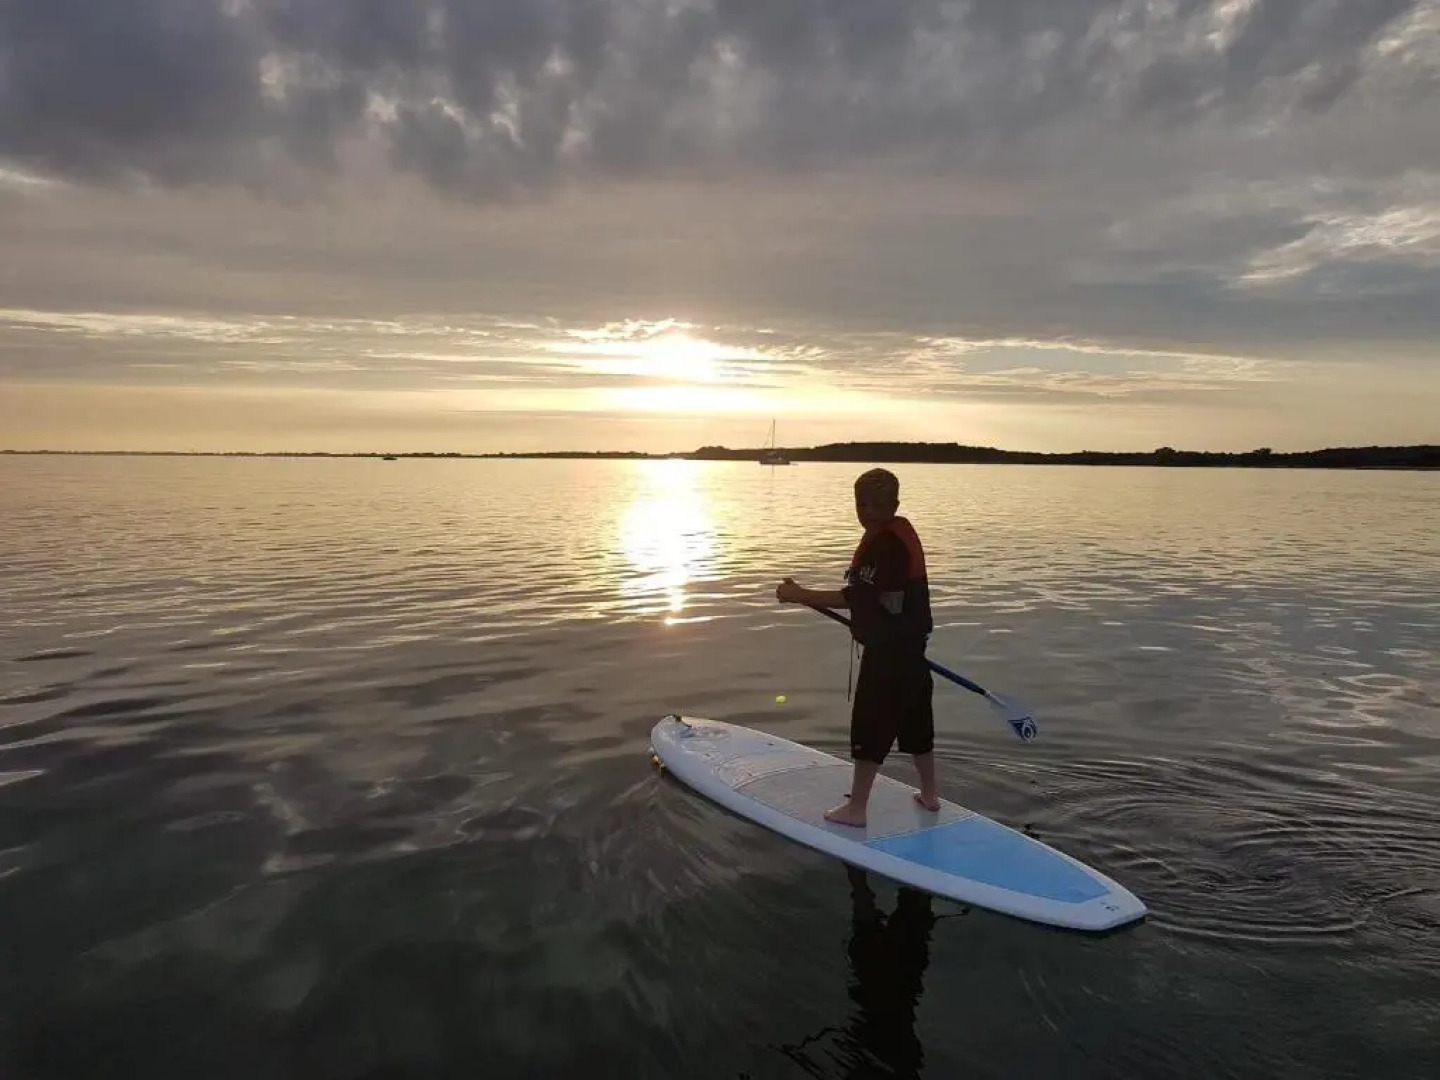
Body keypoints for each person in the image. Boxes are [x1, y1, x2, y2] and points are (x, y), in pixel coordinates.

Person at [775, 467, 936, 827]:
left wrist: (799, 595)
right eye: (864, 503)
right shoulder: (898, 536)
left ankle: (857, 809)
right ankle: (930, 795)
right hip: (913, 654)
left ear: (877, 505)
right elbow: (879, 600)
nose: (865, 510)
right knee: (916, 725)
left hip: (889, 657)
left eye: (868, 504)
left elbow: (856, 597)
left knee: (870, 728)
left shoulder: (885, 545)